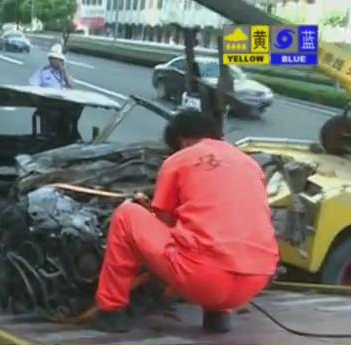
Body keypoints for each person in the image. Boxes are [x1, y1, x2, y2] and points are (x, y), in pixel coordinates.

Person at [93, 110, 279, 333]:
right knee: (221, 236)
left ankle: (111, 312)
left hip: (203, 279)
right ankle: (218, 317)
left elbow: (165, 221)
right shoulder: (250, 164)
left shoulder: (179, 159)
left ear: (181, 141)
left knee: (126, 214)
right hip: (255, 280)